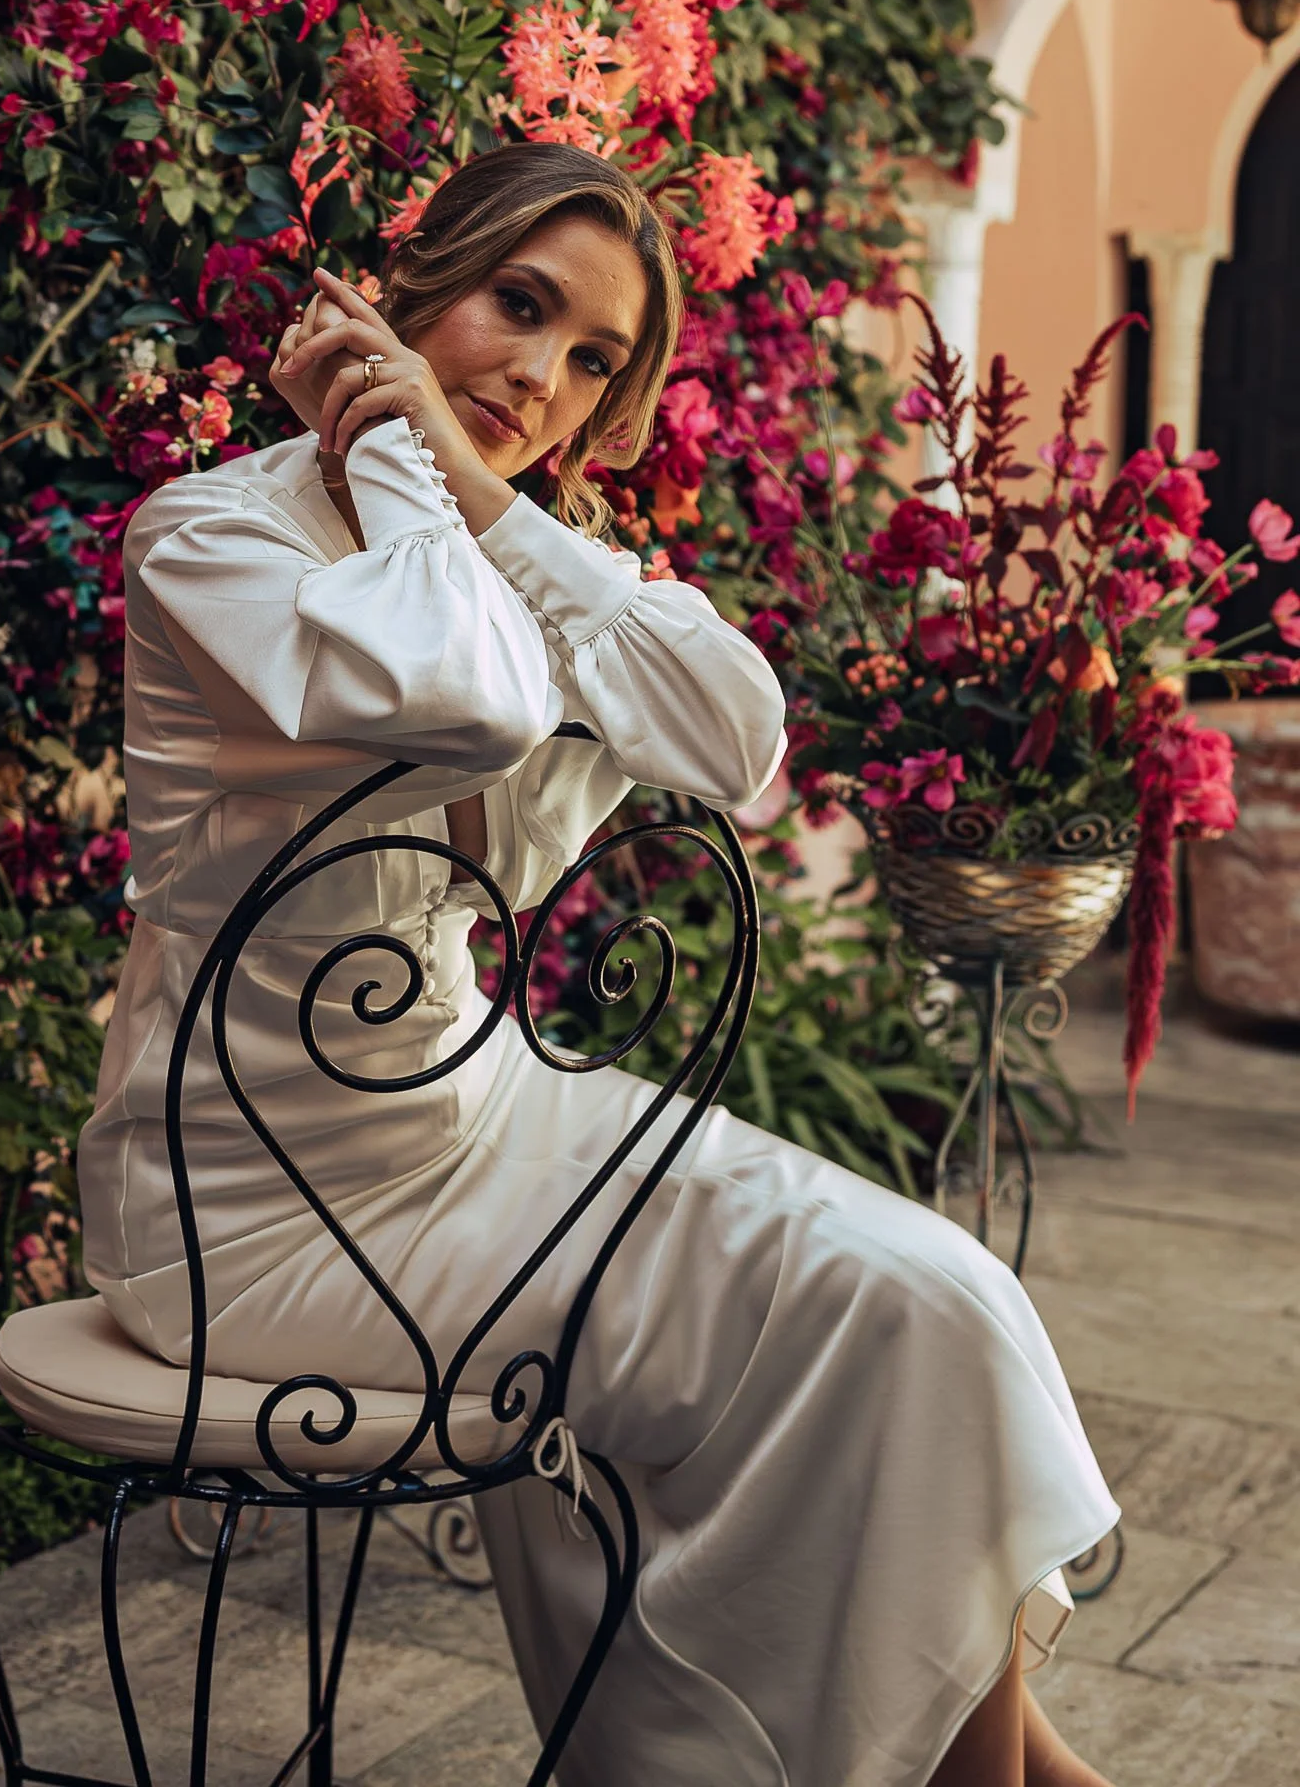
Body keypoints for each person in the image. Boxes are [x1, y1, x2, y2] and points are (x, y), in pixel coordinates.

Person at [77, 143, 1120, 1787]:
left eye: (591, 361)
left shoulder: (513, 549)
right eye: (518, 306)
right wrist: (406, 459)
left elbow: (739, 738)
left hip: (481, 1111)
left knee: (939, 1298)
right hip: (256, 1208)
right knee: (864, 1328)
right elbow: (469, 701)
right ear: (408, 289)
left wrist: (483, 498)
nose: (539, 380)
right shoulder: (212, 536)